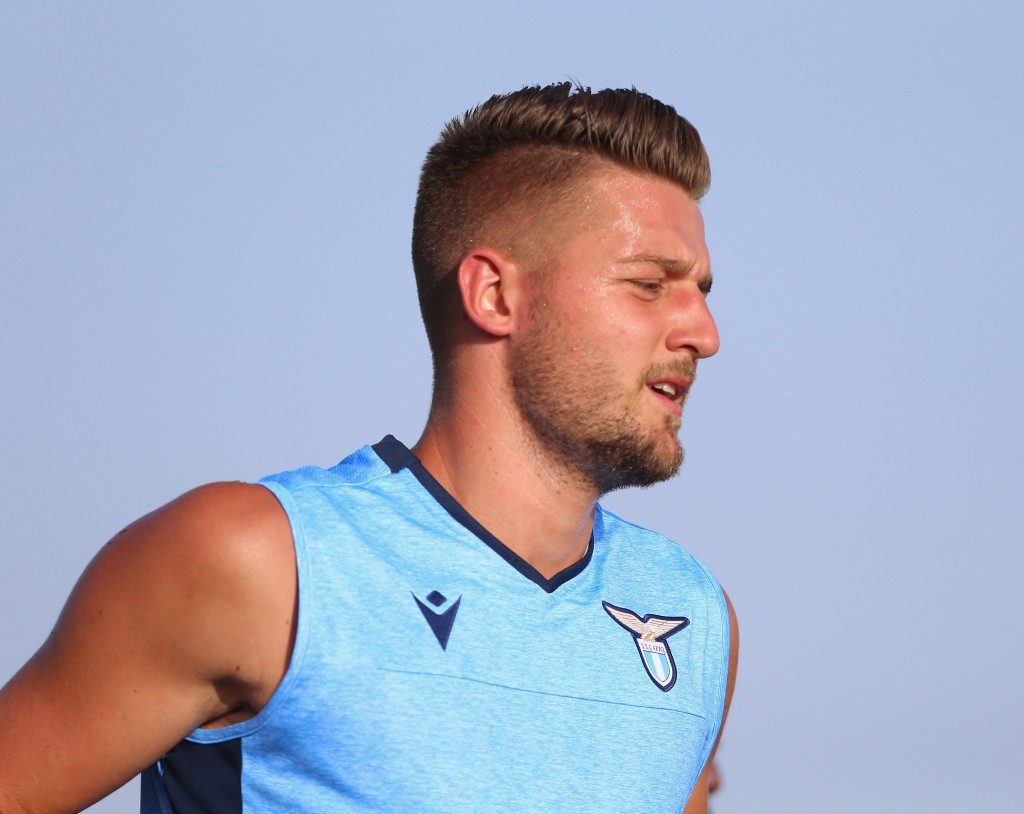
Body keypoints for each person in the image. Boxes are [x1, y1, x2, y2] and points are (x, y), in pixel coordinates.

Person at [0, 82, 738, 814]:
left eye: (702, 290)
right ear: (494, 295)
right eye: (649, 284)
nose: (703, 333)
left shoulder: (689, 615)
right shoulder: (256, 563)